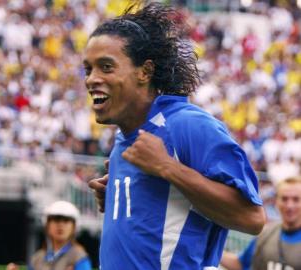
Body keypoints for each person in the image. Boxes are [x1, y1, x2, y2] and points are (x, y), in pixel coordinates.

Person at [85, 2, 266, 269]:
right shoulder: (125, 137)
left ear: (145, 71)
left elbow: (251, 218)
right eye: (88, 69)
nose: (91, 79)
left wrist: (168, 167)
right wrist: (122, 197)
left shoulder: (188, 125)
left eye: (106, 67)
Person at [221, 176, 301, 270]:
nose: (289, 206)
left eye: (296, 199)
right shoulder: (266, 233)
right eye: (284, 199)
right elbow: (241, 264)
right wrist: (210, 250)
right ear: (276, 201)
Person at [8, 201, 92, 270]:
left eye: (66, 220)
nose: (60, 225)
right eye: (56, 219)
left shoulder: (79, 257)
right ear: (47, 225)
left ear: (74, 227)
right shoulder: (37, 258)